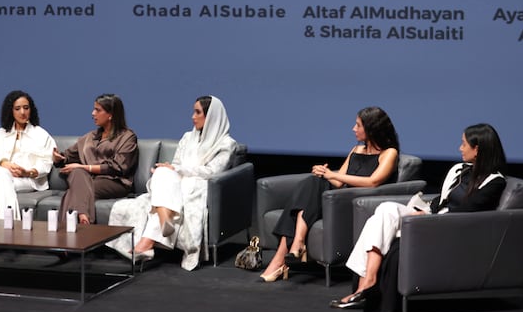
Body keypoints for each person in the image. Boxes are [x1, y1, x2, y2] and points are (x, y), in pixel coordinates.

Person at [331, 123, 507, 310]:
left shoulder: (494, 182)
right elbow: (442, 198)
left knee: (378, 220)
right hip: (433, 216)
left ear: (477, 149)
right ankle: (367, 283)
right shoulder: (459, 169)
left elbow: (468, 210)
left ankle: (364, 286)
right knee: (385, 209)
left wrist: (428, 216)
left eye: (463, 144)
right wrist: (424, 210)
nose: (460, 148)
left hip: (446, 226)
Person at [259, 106, 400, 283]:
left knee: (309, 193)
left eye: (358, 125)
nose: (353, 129)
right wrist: (324, 172)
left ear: (372, 128)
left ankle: (283, 257)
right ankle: (295, 245)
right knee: (313, 181)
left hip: (358, 204)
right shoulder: (356, 150)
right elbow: (339, 182)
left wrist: (332, 175)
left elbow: (373, 182)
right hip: (338, 198)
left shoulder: (389, 153)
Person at [106, 95, 237, 270]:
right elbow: (175, 164)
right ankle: (164, 217)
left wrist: (179, 170)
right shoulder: (187, 137)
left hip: (200, 184)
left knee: (170, 179)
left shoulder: (227, 144)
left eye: (197, 112)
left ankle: (146, 242)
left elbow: (213, 171)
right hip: (178, 180)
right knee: (161, 171)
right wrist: (171, 168)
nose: (193, 116)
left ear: (211, 116)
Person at [53, 94, 138, 225]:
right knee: (77, 174)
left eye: (98, 110)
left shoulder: (127, 137)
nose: (93, 113)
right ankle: (84, 219)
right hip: (86, 179)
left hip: (114, 182)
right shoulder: (90, 137)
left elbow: (119, 167)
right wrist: (59, 158)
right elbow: (68, 156)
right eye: (94, 109)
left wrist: (85, 167)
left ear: (111, 115)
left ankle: (65, 233)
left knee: (76, 188)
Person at [0, 90, 55, 220]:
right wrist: (4, 163)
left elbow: (46, 161)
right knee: (3, 175)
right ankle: (12, 225)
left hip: (26, 179)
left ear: (31, 110)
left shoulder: (41, 135)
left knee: (0, 187)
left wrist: (28, 172)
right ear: (11, 111)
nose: (22, 112)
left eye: (26, 108)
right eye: (17, 108)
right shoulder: (0, 133)